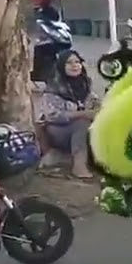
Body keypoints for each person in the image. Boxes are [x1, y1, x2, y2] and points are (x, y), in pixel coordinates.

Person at [37, 50, 100, 178]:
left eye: (77, 62)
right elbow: (52, 116)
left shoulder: (85, 84)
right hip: (57, 131)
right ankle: (79, 166)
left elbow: (96, 103)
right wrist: (82, 114)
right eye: (69, 63)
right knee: (82, 124)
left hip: (81, 130)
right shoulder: (54, 87)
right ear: (61, 66)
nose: (74, 65)